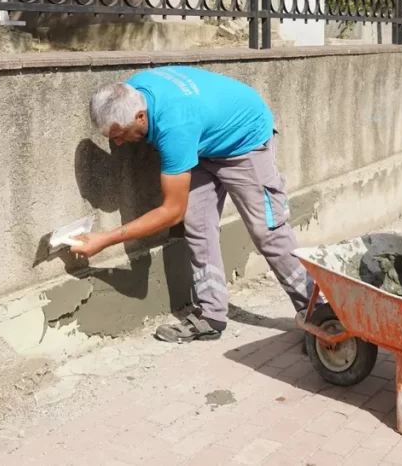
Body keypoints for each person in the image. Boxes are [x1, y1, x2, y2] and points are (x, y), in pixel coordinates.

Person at [72, 66, 314, 344]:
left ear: (140, 115)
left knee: (267, 232)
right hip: (200, 143)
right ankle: (211, 316)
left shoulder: (174, 126)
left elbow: (170, 212)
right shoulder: (132, 92)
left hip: (245, 140)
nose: (117, 143)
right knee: (198, 226)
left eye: (119, 133)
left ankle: (320, 313)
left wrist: (105, 239)